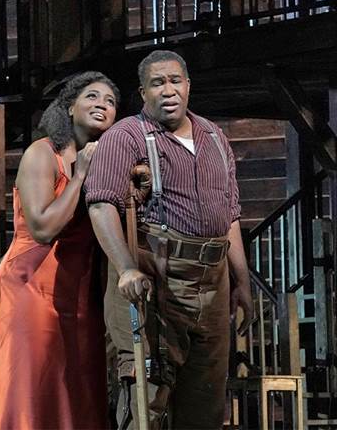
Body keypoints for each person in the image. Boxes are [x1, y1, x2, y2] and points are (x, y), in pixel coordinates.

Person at [85, 50, 254, 429]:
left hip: (212, 282)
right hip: (157, 279)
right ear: (143, 92)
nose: (168, 90)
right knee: (148, 400)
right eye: (157, 83)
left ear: (188, 85)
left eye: (175, 81)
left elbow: (230, 214)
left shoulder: (213, 136)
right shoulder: (126, 136)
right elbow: (100, 205)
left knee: (205, 402)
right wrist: (126, 268)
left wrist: (242, 281)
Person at [0, 71, 119, 429]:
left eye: (110, 101)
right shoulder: (42, 153)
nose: (102, 105)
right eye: (92, 96)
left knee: (78, 385)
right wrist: (80, 176)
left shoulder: (104, 162)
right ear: (70, 106)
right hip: (31, 286)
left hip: (78, 288)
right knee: (35, 384)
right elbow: (43, 228)